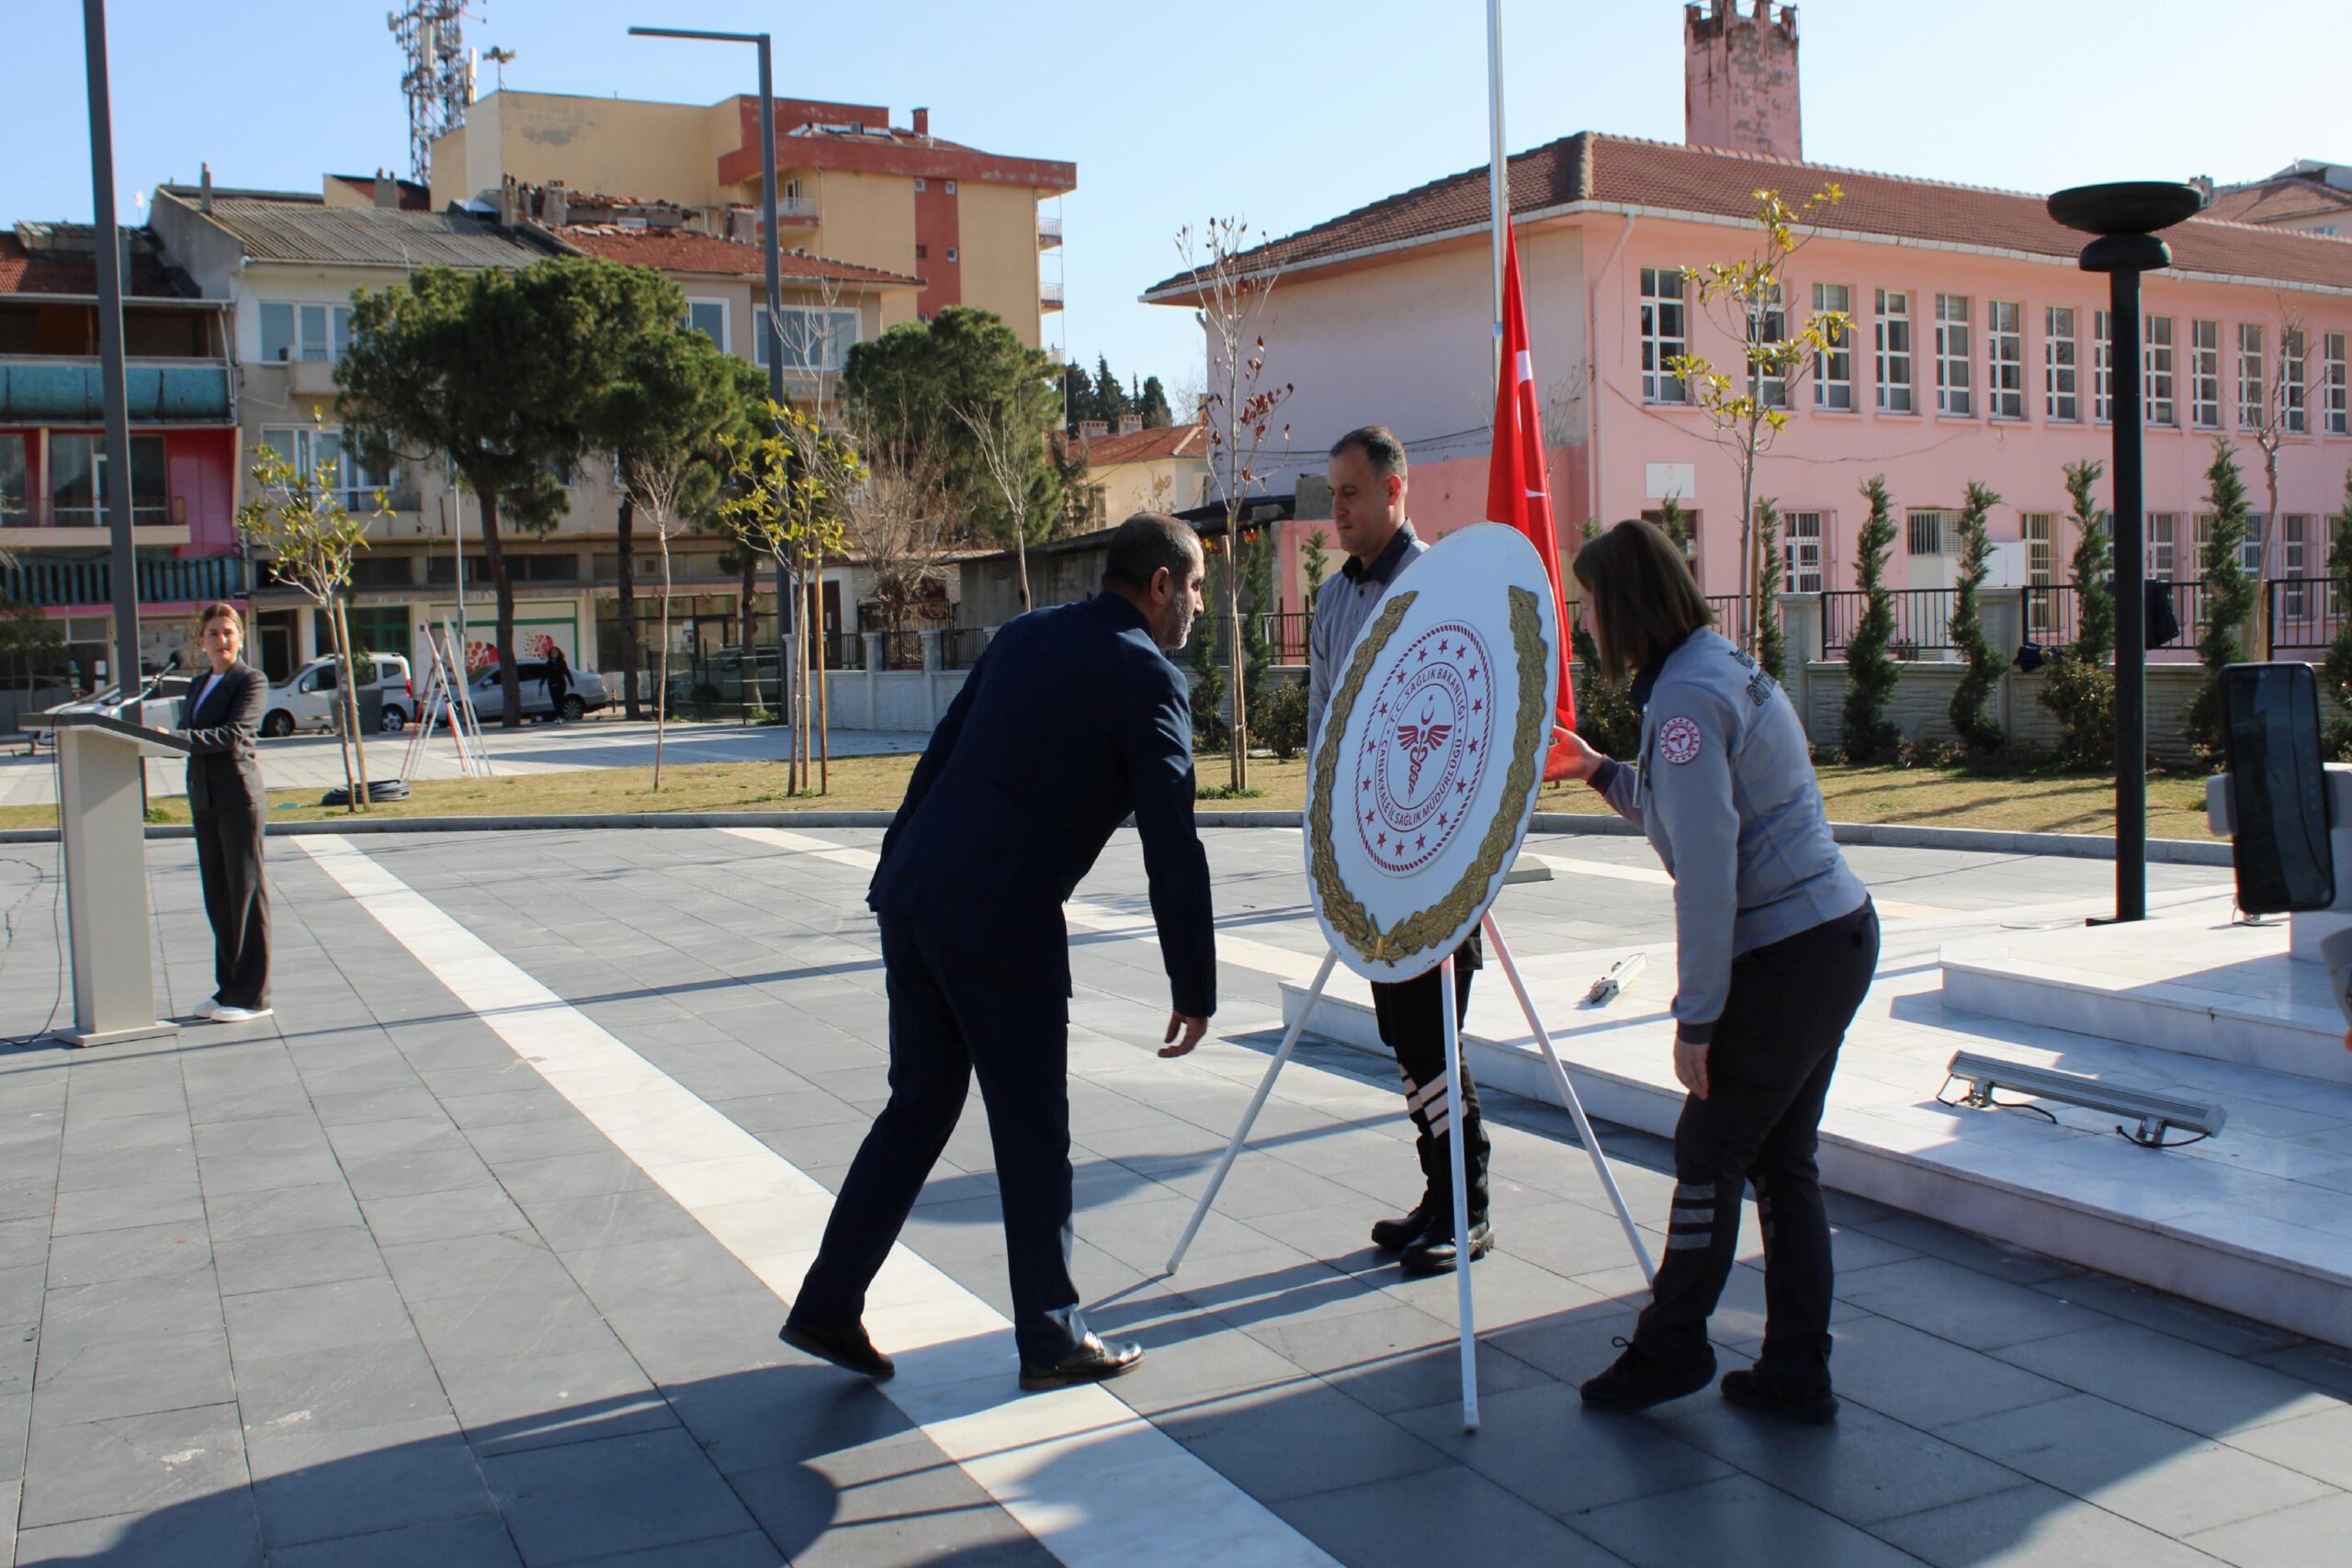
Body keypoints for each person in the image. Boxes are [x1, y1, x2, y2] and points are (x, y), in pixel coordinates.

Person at [784, 513, 1216, 1392]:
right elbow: (1173, 840)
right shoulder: (1148, 676)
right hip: (999, 918)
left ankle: (830, 1301)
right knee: (1030, 1129)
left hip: (917, 899)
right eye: (1197, 587)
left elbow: (935, 761)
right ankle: (1052, 1334)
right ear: (1161, 583)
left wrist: (893, 873)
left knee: (917, 1109)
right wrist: (1193, 983)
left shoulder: (1026, 634)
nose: (1199, 608)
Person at [1558, 521, 1877, 1424]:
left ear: (1624, 607)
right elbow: (1681, 807)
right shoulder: (1710, 669)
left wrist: (1696, 1018)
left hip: (1791, 953)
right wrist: (1594, 770)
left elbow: (1707, 869)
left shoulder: (1687, 701)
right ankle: (1794, 1369)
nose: (1587, 627)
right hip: (1833, 935)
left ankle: (1671, 1349)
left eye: (1590, 606)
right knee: (1782, 1161)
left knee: (1709, 1150)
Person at [1308, 425, 1490, 1276]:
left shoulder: (1438, 584)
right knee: (1403, 1037)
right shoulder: (1335, 598)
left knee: (1432, 1035)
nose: (1337, 510)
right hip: (1368, 864)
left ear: (1395, 492)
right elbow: (1325, 728)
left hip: (1436, 857)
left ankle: (1470, 1205)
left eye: (1351, 493)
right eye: (1332, 494)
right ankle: (1438, 1193)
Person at [180, 603, 272, 1023]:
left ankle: (253, 996)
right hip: (205, 800)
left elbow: (236, 733)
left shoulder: (250, 680)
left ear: (241, 637)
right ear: (201, 640)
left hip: (239, 798)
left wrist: (181, 738)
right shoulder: (198, 684)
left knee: (246, 896)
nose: (221, 640)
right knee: (218, 896)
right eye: (213, 633)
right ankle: (227, 989)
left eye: (228, 632)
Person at [543, 645, 572, 720]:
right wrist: (541, 683)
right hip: (552, 684)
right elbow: (545, 674)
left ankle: (562, 716)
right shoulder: (548, 662)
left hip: (561, 683)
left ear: (558, 653)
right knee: (555, 701)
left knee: (560, 700)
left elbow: (567, 672)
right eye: (552, 652)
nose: (554, 653)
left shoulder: (562, 662)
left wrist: (571, 681)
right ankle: (558, 716)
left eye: (555, 652)